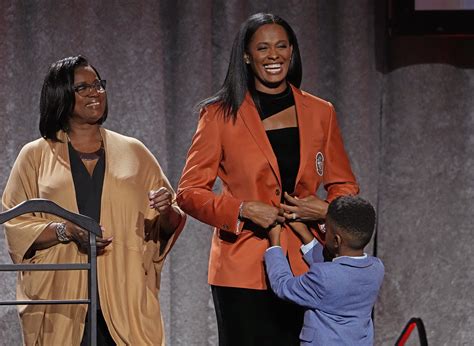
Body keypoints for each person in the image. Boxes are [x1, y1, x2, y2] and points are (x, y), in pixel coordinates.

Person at [177, 12, 359, 345]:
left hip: (309, 266)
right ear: (247, 56)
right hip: (242, 269)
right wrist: (243, 209)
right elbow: (188, 192)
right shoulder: (219, 115)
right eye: (262, 48)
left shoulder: (321, 112)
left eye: (281, 46)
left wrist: (325, 211)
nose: (273, 55)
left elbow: (344, 185)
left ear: (292, 51)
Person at [2, 55, 186, 345]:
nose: (95, 92)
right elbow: (15, 225)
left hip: (125, 298)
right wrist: (65, 231)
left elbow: (166, 227)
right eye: (82, 87)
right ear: (60, 95)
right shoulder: (34, 155)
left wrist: (167, 212)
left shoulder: (134, 152)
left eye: (98, 84)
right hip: (60, 301)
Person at [265, 196, 384, 345]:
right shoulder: (377, 267)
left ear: (336, 240)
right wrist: (305, 234)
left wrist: (274, 242)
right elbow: (339, 272)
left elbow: (283, 286)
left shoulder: (323, 277)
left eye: (325, 228)